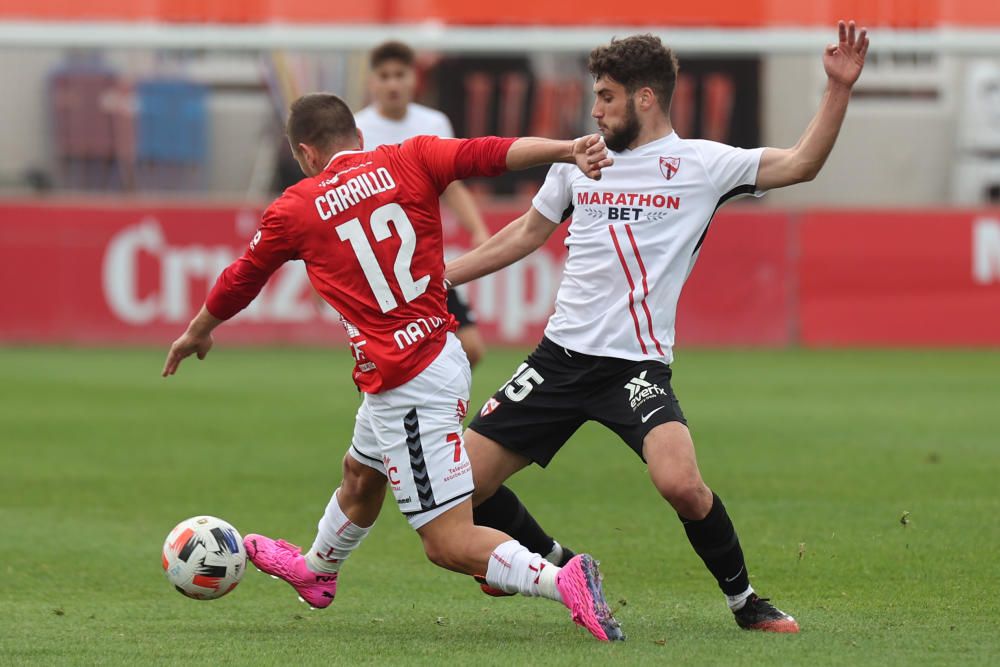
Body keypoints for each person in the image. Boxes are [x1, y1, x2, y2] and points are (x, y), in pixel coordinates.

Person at [447, 22, 869, 634]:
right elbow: (524, 234)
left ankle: (746, 603)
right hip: (557, 362)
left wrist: (837, 89)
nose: (595, 110)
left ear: (645, 98)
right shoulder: (579, 160)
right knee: (462, 485)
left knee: (682, 485)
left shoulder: (702, 164)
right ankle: (562, 565)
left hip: (635, 369)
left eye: (607, 97)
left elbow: (802, 164)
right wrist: (442, 278)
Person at [161, 93, 624, 641]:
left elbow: (243, 275)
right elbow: (491, 152)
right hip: (431, 355)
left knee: (447, 541)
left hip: (408, 381)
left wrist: (198, 330)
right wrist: (568, 149)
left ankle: (564, 580)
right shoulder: (411, 157)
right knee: (360, 475)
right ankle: (317, 571)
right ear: (358, 138)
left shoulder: (295, 207)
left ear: (306, 154)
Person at [355, 40, 489, 368]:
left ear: (413, 79)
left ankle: (434, 408)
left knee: (470, 348)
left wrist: (478, 230)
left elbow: (452, 188)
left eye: (399, 75)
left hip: (425, 261)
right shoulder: (356, 128)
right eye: (384, 76)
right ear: (372, 82)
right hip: (378, 267)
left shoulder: (434, 124)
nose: (392, 84)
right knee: (393, 357)